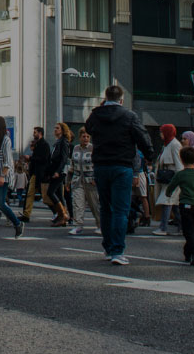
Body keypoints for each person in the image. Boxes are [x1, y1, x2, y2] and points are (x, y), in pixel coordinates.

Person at [84, 85, 155, 266]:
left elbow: (89, 128)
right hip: (122, 165)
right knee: (120, 210)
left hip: (101, 165)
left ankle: (108, 248)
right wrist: (149, 156)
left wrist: (101, 108)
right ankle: (117, 250)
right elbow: (142, 137)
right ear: (121, 100)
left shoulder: (96, 115)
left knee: (105, 208)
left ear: (105, 98)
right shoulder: (129, 116)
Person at [151, 124, 183, 235]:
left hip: (172, 178)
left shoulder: (174, 145)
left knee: (167, 201)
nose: (160, 134)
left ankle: (163, 227)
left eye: (162, 132)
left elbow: (179, 165)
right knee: (174, 204)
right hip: (168, 178)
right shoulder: (167, 144)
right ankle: (182, 227)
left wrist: (178, 180)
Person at [68, 130, 100, 236]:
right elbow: (72, 164)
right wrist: (68, 180)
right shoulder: (76, 148)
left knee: (95, 205)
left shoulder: (93, 149)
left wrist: (96, 178)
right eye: (83, 136)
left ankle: (100, 225)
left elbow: (98, 164)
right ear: (79, 137)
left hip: (91, 181)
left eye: (87, 136)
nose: (85, 138)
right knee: (78, 203)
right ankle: (78, 226)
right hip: (77, 180)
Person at [45, 123, 73, 226]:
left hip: (60, 171)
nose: (55, 130)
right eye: (55, 128)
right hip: (56, 170)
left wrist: (58, 171)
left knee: (50, 192)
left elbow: (64, 158)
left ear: (62, 130)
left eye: (57, 128)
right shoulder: (58, 142)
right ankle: (62, 217)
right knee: (59, 195)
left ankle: (63, 215)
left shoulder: (63, 142)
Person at [21, 127, 51, 222]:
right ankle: (26, 214)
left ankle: (59, 212)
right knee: (30, 193)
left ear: (40, 133)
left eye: (35, 132)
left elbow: (44, 159)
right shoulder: (37, 144)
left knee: (47, 196)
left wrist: (30, 158)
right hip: (35, 173)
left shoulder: (44, 145)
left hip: (41, 173)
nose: (33, 134)